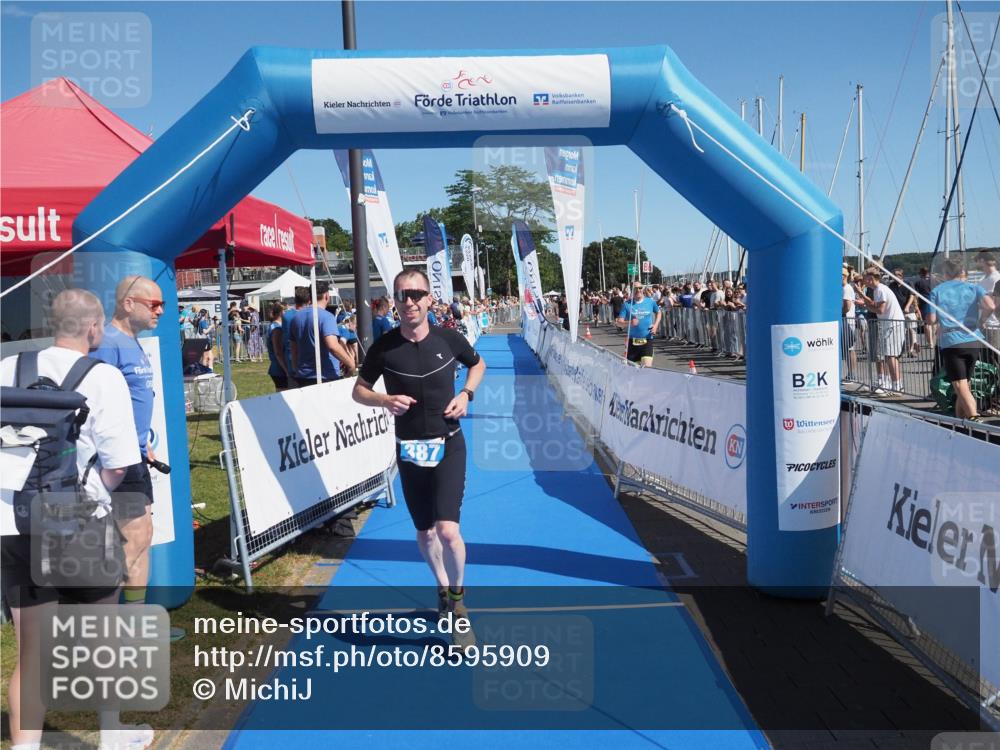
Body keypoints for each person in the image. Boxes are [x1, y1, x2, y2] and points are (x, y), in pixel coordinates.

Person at [1, 289, 150, 750]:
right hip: (77, 519)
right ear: (94, 327)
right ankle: (111, 734)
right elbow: (120, 462)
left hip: (12, 520)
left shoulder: (7, 367)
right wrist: (95, 494)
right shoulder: (103, 377)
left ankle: (25, 746)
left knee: (32, 650)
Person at [352, 269, 486, 650]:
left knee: (448, 531)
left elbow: (477, 365)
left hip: (449, 444)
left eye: (416, 294)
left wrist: (467, 395)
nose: (409, 301)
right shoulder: (384, 347)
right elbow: (358, 391)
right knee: (425, 532)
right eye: (401, 295)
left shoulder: (449, 338)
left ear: (429, 299)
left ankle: (458, 604)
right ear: (394, 301)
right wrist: (383, 400)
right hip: (409, 449)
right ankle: (442, 589)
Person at [91, 274, 163, 612]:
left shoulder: (130, 340)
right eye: (154, 304)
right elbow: (94, 400)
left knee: (141, 537)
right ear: (128, 303)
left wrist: (140, 441)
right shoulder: (108, 342)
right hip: (116, 458)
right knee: (132, 540)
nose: (161, 311)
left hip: (133, 454)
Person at [926, 259, 996, 421]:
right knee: (965, 383)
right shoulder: (974, 288)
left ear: (946, 273)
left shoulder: (938, 291)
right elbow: (990, 306)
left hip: (952, 341)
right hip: (974, 339)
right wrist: (981, 321)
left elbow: (931, 319)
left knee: (958, 384)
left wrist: (937, 321)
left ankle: (973, 416)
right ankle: (960, 419)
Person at [289, 281, 355, 385]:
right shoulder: (327, 317)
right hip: (325, 376)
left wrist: (296, 369)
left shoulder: (296, 318)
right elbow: (333, 346)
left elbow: (294, 349)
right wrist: (350, 364)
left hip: (303, 375)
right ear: (327, 296)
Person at [855, 268, 905, 394]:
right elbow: (875, 304)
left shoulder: (880, 289)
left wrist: (865, 305)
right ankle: (891, 383)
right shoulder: (879, 289)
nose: (864, 282)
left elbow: (880, 310)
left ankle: (897, 385)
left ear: (871, 279)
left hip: (893, 325)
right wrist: (863, 297)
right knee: (889, 355)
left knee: (890, 355)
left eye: (865, 279)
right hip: (889, 325)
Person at [617, 283, 661, 367]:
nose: (638, 290)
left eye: (640, 288)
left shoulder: (650, 301)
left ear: (643, 289)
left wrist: (655, 326)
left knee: (647, 369)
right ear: (632, 290)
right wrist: (630, 322)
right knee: (634, 371)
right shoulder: (626, 304)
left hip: (647, 340)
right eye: (635, 288)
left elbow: (658, 312)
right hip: (632, 342)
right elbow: (619, 322)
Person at [265, 303, 291, 391]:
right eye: (287, 311)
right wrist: (287, 371)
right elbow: (278, 352)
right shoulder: (276, 329)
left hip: (279, 367)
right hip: (280, 369)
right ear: (281, 312)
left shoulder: (277, 326)